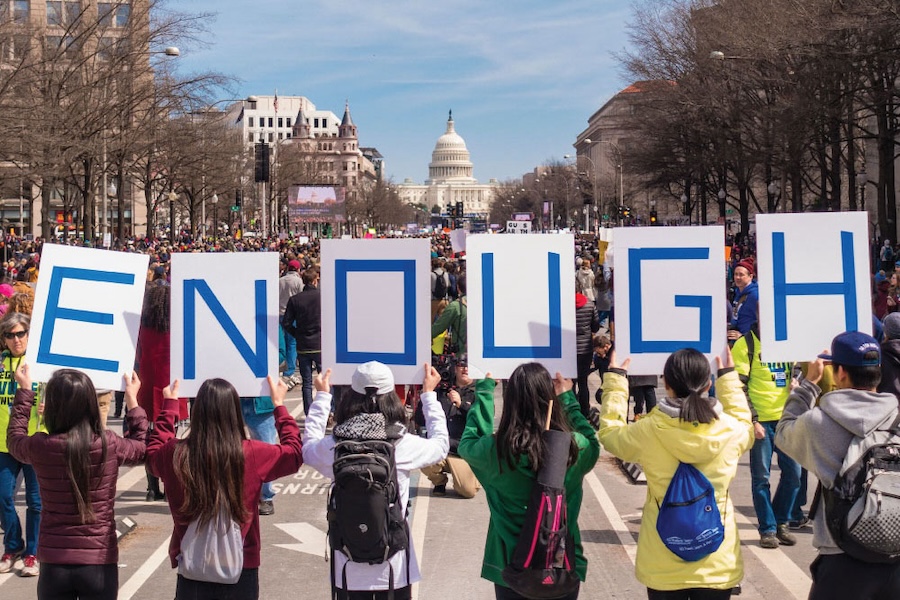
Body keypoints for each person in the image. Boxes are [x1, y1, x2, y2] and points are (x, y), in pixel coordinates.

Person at [598, 348, 754, 599]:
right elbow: (745, 423)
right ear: (709, 383)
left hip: (663, 561)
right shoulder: (732, 430)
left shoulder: (647, 430)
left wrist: (616, 380)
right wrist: (729, 377)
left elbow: (609, 436)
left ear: (665, 383)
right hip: (717, 563)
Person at [147, 375, 302, 600]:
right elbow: (295, 454)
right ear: (234, 413)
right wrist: (279, 407)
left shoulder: (176, 453)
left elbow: (152, 455)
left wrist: (169, 406)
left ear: (197, 412)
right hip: (241, 566)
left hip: (193, 564)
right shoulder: (252, 453)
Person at [303, 362, 449, 600]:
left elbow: (308, 449)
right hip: (395, 566)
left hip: (347, 565)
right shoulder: (400, 442)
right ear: (391, 397)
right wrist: (429, 396)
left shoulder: (336, 444)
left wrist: (321, 398)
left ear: (351, 395)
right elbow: (441, 446)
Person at [458, 363, 600, 599]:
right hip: (561, 564)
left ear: (510, 399)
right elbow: (592, 442)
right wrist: (567, 399)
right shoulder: (575, 448)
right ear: (549, 398)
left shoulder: (496, 451)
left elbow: (469, 443)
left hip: (509, 566)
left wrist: (484, 391)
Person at [776, 331, 900, 599]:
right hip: (895, 549)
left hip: (842, 554)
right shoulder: (897, 417)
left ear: (840, 372)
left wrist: (808, 385)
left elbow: (784, 433)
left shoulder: (819, 422)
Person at [7, 366, 147, 599]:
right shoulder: (108, 444)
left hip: (54, 563)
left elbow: (14, 440)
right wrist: (132, 400)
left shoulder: (42, 446)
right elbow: (142, 448)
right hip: (99, 561)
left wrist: (24, 390)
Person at [732, 322, 801, 548]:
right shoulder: (746, 345)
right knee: (761, 478)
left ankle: (781, 521)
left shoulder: (786, 339)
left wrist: (795, 378)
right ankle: (768, 529)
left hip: (787, 420)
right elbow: (737, 387)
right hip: (761, 421)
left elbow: (797, 365)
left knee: (794, 474)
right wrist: (752, 419)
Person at [0, 312, 43, 576]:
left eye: (20, 334)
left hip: (36, 441)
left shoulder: (39, 363)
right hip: (5, 444)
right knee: (3, 497)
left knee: (36, 502)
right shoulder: (1, 364)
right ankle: (13, 545)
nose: (16, 340)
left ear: (29, 334)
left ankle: (33, 553)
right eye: (9, 335)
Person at [136, 284, 187, 502]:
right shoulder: (179, 328)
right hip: (173, 387)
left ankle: (151, 488)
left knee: (150, 438)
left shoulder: (142, 329)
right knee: (171, 439)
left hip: (148, 386)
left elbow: (138, 357)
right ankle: (169, 487)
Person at [418, 355, 480, 498]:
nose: (465, 369)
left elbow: (483, 420)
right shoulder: (442, 390)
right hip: (442, 448)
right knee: (423, 456)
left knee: (467, 491)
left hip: (464, 452)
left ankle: (473, 476)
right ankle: (439, 482)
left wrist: (462, 405)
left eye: (469, 366)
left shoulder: (479, 393)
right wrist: (427, 393)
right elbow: (420, 419)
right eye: (461, 365)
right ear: (454, 368)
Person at [282, 267, 322, 415]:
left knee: (307, 382)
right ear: (315, 280)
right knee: (324, 380)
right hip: (319, 343)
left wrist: (297, 334)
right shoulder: (322, 297)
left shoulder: (295, 300)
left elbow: (286, 323)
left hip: (303, 344)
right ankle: (328, 410)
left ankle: (309, 411)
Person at [278, 259, 304, 389]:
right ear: (298, 270)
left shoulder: (280, 280)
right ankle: (290, 371)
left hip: (280, 313)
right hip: (293, 314)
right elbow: (301, 297)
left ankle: (283, 367)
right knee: (292, 343)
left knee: (281, 343)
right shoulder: (298, 281)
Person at [574, 291, 600, 416]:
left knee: (570, 382)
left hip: (569, 348)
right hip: (585, 348)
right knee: (583, 381)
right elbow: (595, 326)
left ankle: (571, 412)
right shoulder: (589, 305)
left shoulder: (564, 305)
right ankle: (585, 410)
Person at [431, 273, 467, 356]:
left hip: (462, 355)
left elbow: (438, 328)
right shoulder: (483, 304)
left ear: (458, 287)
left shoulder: (455, 306)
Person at [727, 259, 758, 343]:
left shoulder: (754, 295)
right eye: (735, 274)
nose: (737, 277)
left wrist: (743, 336)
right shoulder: (738, 292)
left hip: (749, 344)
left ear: (750, 276)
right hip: (737, 343)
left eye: (741, 275)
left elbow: (762, 322)